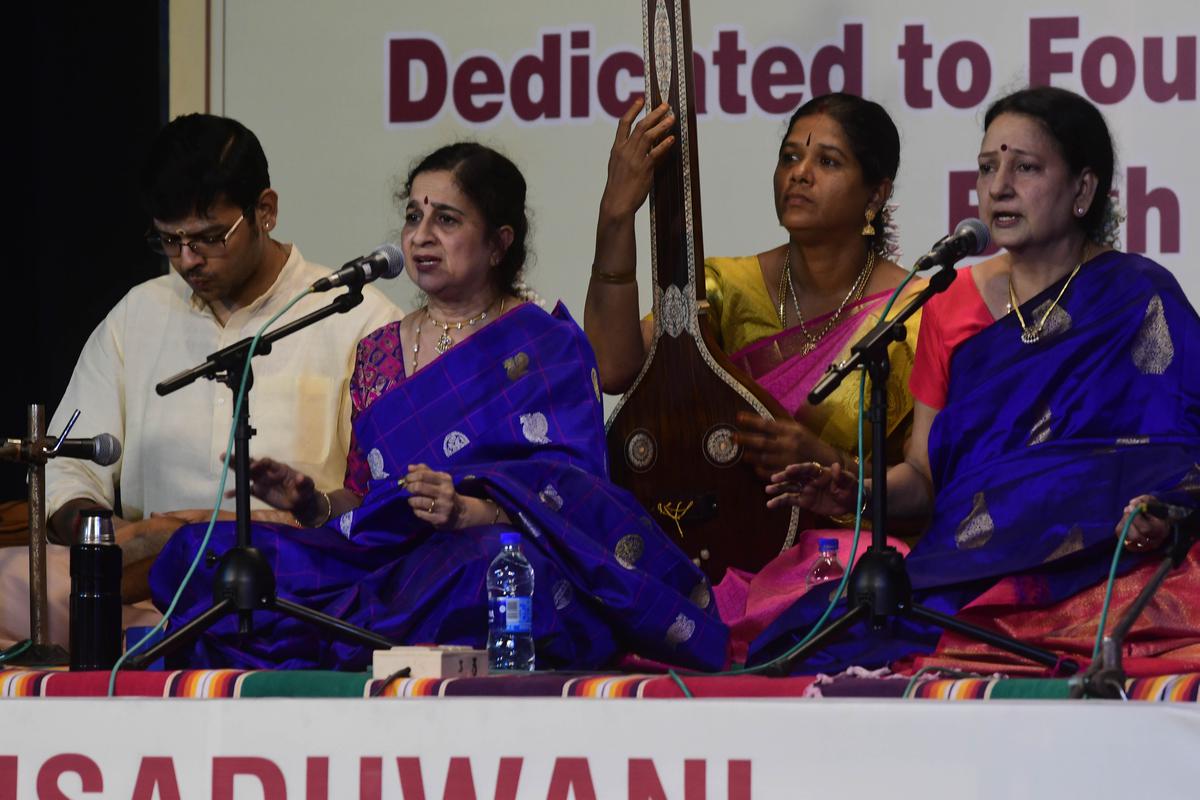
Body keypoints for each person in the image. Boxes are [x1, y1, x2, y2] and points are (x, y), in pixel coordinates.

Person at [149, 142, 728, 671]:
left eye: (446, 220)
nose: (421, 236)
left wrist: (470, 512)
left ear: (500, 241)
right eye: (413, 217)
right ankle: (347, 637)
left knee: (493, 568)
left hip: (475, 558)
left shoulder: (543, 345)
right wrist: (310, 502)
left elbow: (572, 500)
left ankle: (325, 639)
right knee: (201, 554)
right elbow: (363, 503)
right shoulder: (377, 350)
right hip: (382, 565)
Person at [760, 86, 1200, 675]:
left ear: (1083, 190)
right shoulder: (949, 300)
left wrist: (1160, 511)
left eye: (1026, 167)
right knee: (809, 643)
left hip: (1102, 555)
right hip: (975, 563)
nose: (999, 188)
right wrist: (858, 491)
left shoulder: (1139, 296)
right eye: (988, 168)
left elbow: (1182, 453)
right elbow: (924, 477)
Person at [0, 114, 400, 647]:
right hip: (145, 595)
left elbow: (387, 496)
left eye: (211, 237)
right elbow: (67, 468)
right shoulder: (138, 316)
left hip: (302, 591)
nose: (188, 260)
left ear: (266, 210)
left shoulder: (358, 318)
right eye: (170, 241)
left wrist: (273, 522)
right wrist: (114, 536)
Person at [585, 93, 924, 657]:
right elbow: (613, 368)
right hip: (716, 548)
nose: (800, 174)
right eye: (790, 157)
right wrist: (617, 214)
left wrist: (827, 459)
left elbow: (930, 490)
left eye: (828, 162)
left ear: (877, 193)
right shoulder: (721, 287)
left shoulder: (917, 310)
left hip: (840, 558)